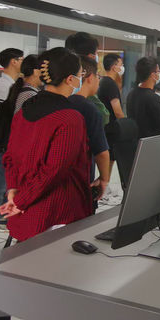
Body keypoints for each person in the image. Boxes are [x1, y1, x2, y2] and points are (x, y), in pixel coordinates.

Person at [0, 47, 92, 241]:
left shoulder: (24, 111)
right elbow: (55, 171)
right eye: (80, 75)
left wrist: (13, 190)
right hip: (57, 212)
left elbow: (11, 156)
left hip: (27, 211)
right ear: (70, 79)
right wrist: (21, 201)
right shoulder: (70, 118)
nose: (80, 79)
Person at [0, 47, 23, 232]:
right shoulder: (3, 86)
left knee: (4, 179)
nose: (23, 63)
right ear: (14, 61)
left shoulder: (11, 84)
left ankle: (1, 215)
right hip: (1, 141)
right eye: (21, 59)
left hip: (6, 140)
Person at [68, 55, 111, 209]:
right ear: (90, 77)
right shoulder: (89, 109)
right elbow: (101, 152)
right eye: (98, 76)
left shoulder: (62, 102)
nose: (99, 81)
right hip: (81, 179)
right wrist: (104, 179)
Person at [65, 32, 109, 127]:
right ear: (90, 57)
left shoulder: (60, 78)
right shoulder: (86, 85)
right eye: (96, 53)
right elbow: (103, 115)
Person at [97, 53, 125, 204]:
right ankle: (104, 189)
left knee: (110, 158)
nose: (122, 67)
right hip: (111, 127)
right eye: (120, 64)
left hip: (106, 127)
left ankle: (105, 186)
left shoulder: (103, 81)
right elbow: (117, 110)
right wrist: (126, 125)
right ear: (114, 67)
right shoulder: (111, 84)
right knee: (109, 159)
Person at [126, 57, 160, 139]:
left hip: (135, 140)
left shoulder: (131, 94)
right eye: (158, 71)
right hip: (151, 142)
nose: (159, 73)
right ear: (153, 75)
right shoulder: (153, 98)